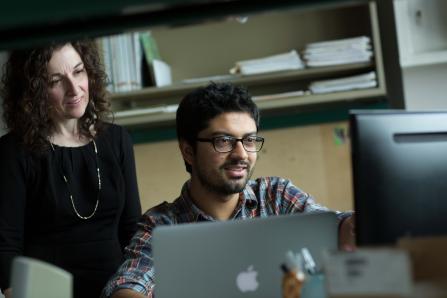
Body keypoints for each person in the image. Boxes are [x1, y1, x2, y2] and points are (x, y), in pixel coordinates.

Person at [102, 82, 355, 298]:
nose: (241, 154)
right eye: (223, 141)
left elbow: (336, 228)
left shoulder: (276, 196)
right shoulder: (162, 226)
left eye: (249, 140)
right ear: (188, 151)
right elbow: (128, 284)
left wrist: (358, 223)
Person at [0, 40, 142, 298]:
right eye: (55, 80)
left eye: (78, 71)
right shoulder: (13, 152)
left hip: (119, 292)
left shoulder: (118, 140)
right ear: (34, 91)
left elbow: (132, 232)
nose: (74, 88)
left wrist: (133, 290)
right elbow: (6, 249)